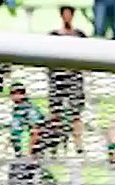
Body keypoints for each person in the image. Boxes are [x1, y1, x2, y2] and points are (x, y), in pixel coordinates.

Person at [47, 6, 87, 154]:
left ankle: (78, 144)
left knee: (76, 113)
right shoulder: (54, 35)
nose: (67, 17)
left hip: (74, 79)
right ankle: (53, 143)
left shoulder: (79, 35)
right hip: (58, 79)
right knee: (55, 113)